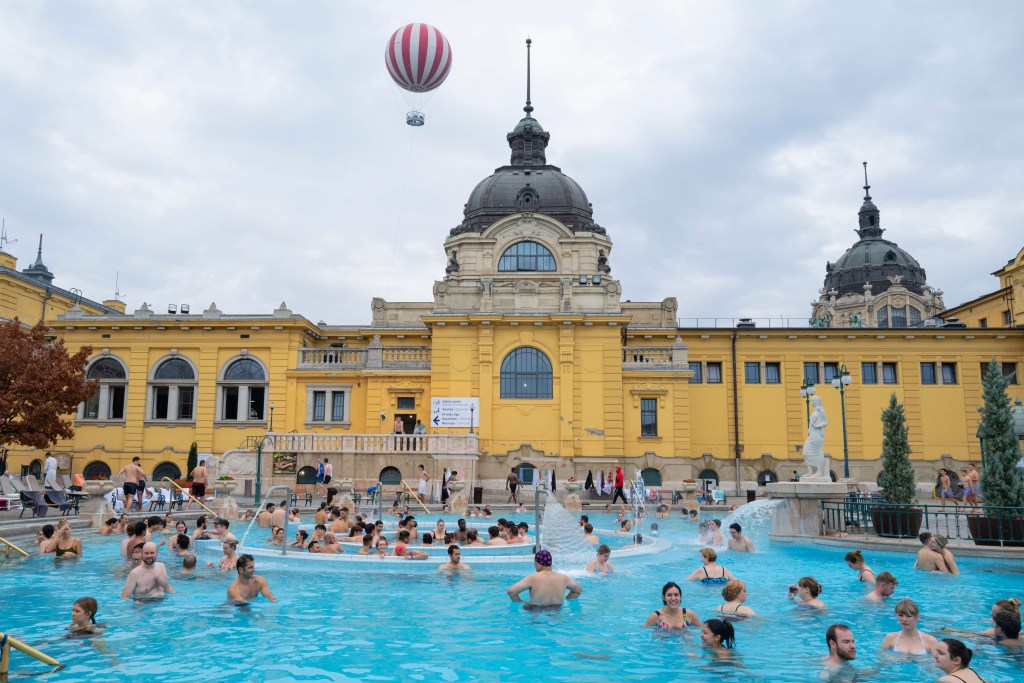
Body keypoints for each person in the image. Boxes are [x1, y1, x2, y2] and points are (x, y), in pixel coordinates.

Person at [507, 550, 582, 609]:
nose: (534, 564)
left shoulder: (533, 578)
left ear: (540, 563)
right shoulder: (564, 578)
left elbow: (511, 591)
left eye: (535, 561)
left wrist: (522, 603)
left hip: (536, 612)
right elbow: (578, 590)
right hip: (557, 612)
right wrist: (566, 599)